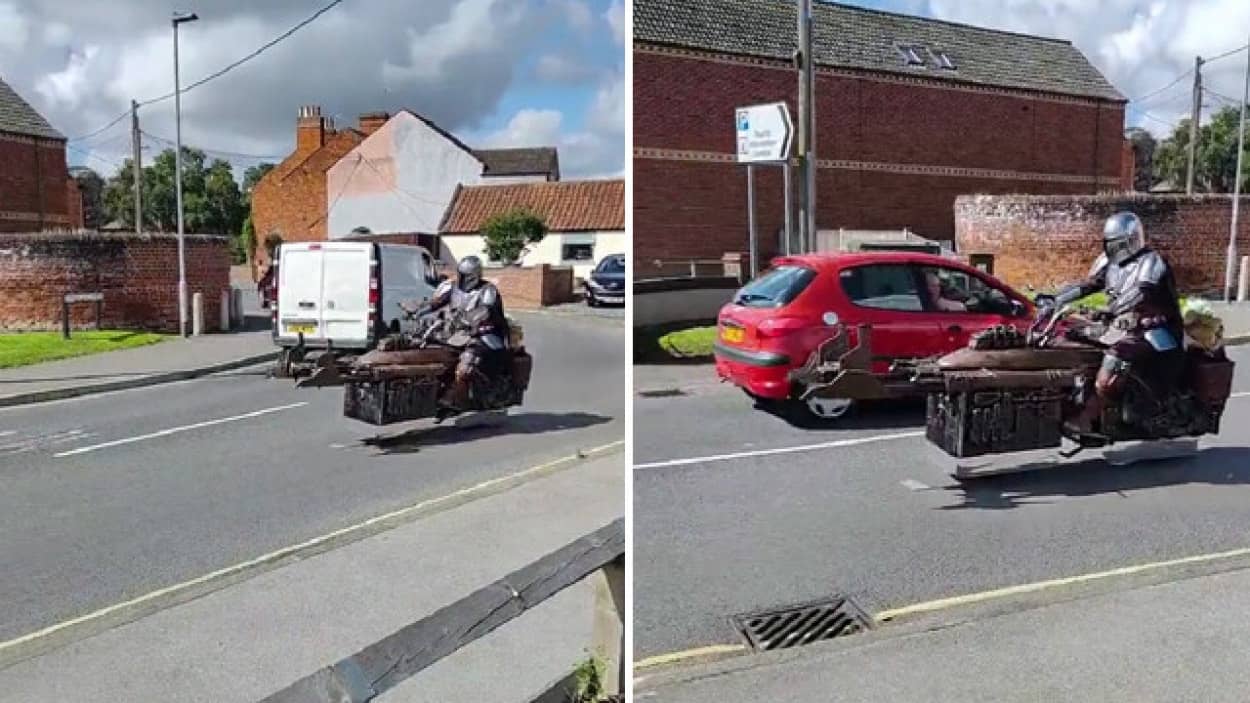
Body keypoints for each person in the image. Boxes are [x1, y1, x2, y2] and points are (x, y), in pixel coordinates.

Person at [1036, 211, 1184, 435]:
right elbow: (1088, 285)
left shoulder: (1151, 261)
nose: (1111, 249)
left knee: (1116, 357)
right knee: (1071, 339)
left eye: (1117, 244)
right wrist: (1056, 299)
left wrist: (1109, 310)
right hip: (1122, 326)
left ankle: (1089, 416)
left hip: (1155, 330)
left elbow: (1140, 292)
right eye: (1109, 244)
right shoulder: (1109, 262)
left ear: (1131, 240)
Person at [417, 256, 510, 421]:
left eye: (465, 275)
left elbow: (485, 310)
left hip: (485, 335)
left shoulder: (487, 290)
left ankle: (457, 402)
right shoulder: (453, 287)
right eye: (460, 274)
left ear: (474, 275)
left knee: (466, 364)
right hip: (458, 334)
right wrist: (419, 310)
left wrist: (469, 318)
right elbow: (437, 302)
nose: (461, 278)